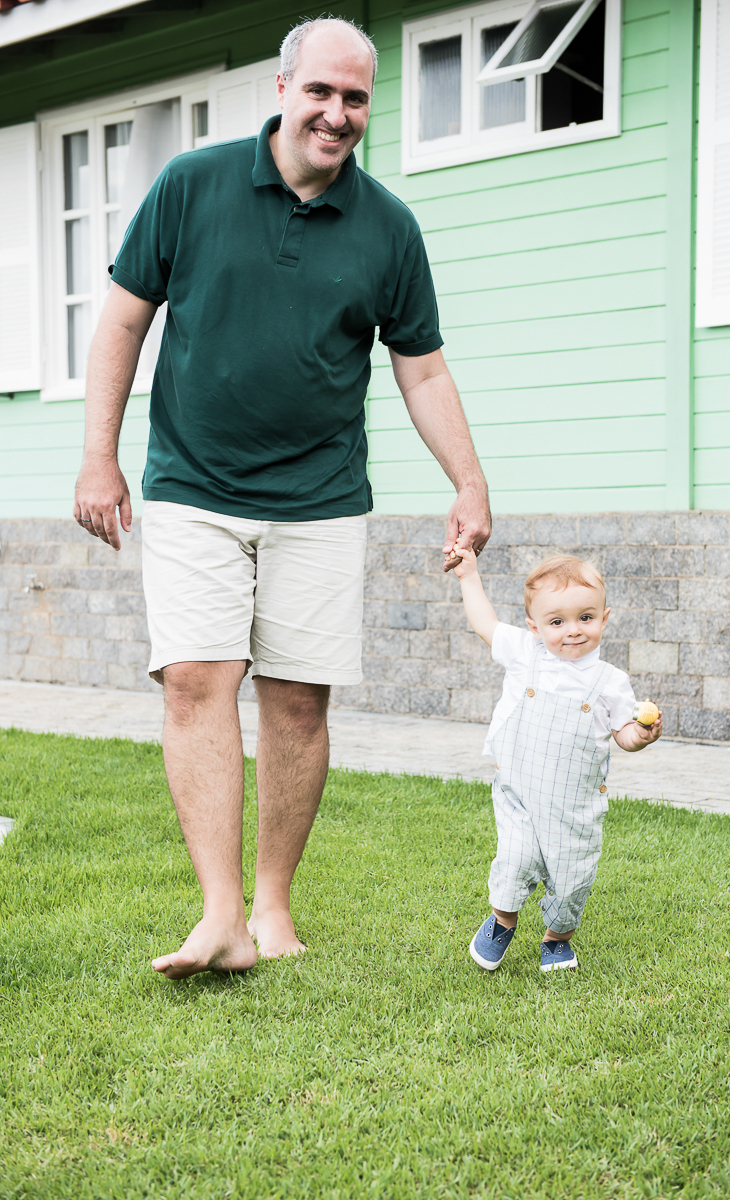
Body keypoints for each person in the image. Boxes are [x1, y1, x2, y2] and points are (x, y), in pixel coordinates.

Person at [73, 17, 491, 979]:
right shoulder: (192, 185)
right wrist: (99, 457)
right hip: (193, 485)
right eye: (321, 93)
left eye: (354, 100)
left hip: (321, 497)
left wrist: (467, 481)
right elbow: (123, 323)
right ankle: (218, 914)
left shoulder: (389, 226)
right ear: (282, 87)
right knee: (195, 681)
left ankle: (273, 907)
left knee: (298, 703)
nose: (336, 115)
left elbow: (420, 369)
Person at [449, 549, 661, 973]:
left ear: (604, 617)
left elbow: (622, 734)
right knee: (515, 858)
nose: (573, 631)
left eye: (586, 617)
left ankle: (557, 939)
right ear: (535, 626)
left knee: (572, 877)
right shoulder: (525, 654)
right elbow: (484, 623)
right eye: (557, 622)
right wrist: (468, 574)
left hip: (574, 806)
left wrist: (639, 735)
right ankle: (501, 922)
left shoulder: (611, 682)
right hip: (521, 793)